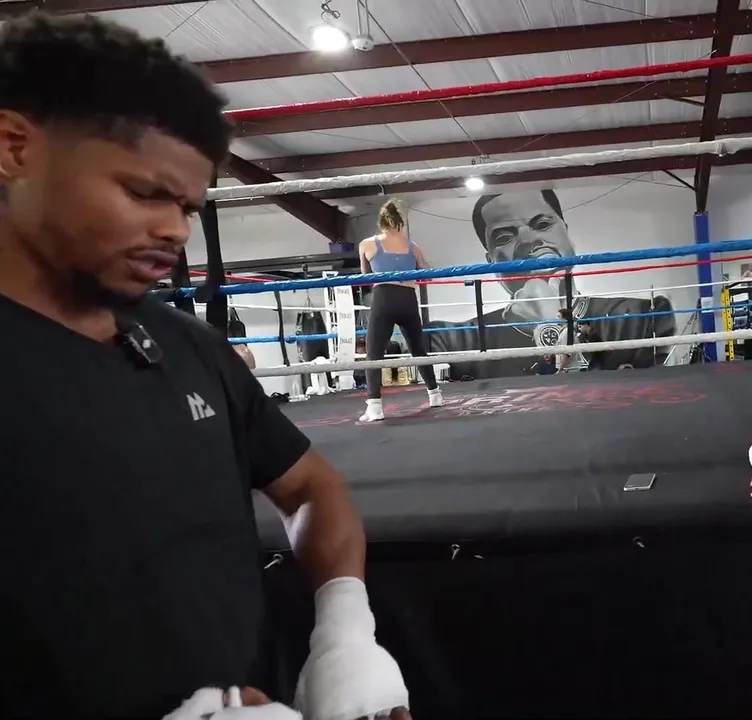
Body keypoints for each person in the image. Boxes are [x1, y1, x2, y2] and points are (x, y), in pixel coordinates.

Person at [0, 14, 411, 719]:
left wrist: (345, 633)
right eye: (144, 192)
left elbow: (310, 486)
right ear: (15, 148)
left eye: (189, 207)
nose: (175, 230)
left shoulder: (188, 344)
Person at [427, 190, 675, 379]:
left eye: (542, 225)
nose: (529, 240)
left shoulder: (643, 318)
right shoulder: (455, 339)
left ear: (566, 232)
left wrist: (551, 322)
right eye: (504, 237)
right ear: (490, 260)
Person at [358, 199, 442, 422]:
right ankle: (435, 395)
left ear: (380, 223)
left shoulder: (367, 244)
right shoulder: (413, 247)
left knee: (374, 354)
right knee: (419, 350)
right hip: (408, 299)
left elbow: (365, 277)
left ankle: (375, 407)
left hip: (384, 298)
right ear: (401, 223)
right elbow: (428, 274)